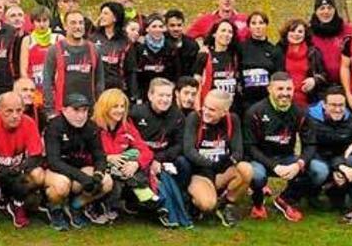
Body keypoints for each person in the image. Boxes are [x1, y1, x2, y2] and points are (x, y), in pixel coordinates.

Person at [243, 73, 315, 222]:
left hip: (287, 158)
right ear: (269, 89)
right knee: (256, 175)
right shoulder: (255, 112)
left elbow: (310, 145)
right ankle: (257, 204)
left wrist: (298, 164)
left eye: (289, 89)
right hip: (261, 159)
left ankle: (285, 199)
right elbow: (250, 148)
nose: (285, 93)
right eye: (280, 89)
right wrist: (274, 166)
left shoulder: (301, 112)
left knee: (318, 170)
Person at [42, 94, 114, 231]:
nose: (81, 115)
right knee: (61, 186)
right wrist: (82, 178)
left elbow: (99, 155)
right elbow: (53, 161)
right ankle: (55, 209)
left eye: (85, 110)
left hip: (79, 171)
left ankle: (76, 206)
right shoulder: (54, 126)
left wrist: (98, 174)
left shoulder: (91, 127)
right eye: (76, 110)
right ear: (64, 110)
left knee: (106, 182)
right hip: (56, 171)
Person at [183, 89, 253, 227]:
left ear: (224, 111)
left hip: (222, 171)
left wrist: (228, 162)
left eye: (212, 110)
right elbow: (189, 151)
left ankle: (228, 204)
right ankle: (197, 203)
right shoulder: (194, 117)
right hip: (200, 173)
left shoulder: (232, 119)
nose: (206, 112)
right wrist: (210, 164)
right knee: (207, 205)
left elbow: (238, 151)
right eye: (205, 107)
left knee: (247, 169)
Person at [0, 93, 45, 230]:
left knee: (39, 174)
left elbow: (36, 156)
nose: (15, 115)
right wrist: (5, 173)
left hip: (17, 172)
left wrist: (19, 170)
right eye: (9, 111)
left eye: (19, 110)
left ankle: (17, 203)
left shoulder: (29, 123)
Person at [92, 89, 163, 223]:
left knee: (135, 156)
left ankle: (136, 198)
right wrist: (107, 157)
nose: (120, 110)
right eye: (115, 106)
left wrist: (136, 164)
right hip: (98, 167)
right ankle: (93, 206)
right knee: (112, 179)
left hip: (121, 167)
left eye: (122, 106)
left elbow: (147, 152)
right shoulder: (93, 127)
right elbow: (85, 154)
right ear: (105, 107)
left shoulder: (127, 126)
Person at [129, 78, 190, 189]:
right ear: (150, 96)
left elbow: (180, 145)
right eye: (161, 95)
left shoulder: (178, 116)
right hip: (140, 155)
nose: (165, 100)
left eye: (168, 96)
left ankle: (182, 195)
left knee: (183, 163)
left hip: (164, 156)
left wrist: (159, 159)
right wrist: (147, 159)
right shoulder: (136, 112)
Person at [43, 10, 104, 118]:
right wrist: (50, 111)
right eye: (73, 23)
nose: (78, 26)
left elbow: (100, 82)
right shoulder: (54, 50)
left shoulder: (94, 49)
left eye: (81, 23)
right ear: (65, 26)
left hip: (89, 111)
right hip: (63, 110)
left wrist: (99, 108)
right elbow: (47, 81)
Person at [307, 86, 352, 210]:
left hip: (339, 159)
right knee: (320, 170)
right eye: (333, 105)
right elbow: (310, 149)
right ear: (324, 105)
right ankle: (310, 193)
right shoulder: (309, 118)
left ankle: (336, 191)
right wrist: (336, 169)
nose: (337, 109)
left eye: (341, 105)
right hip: (317, 157)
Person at [131, 14, 182, 103]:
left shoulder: (170, 47)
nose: (157, 29)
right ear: (147, 29)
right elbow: (134, 71)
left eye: (160, 26)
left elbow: (176, 71)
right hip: (144, 91)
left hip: (164, 92)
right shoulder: (139, 47)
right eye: (154, 26)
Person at [19, 6, 62, 108]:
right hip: (35, 88)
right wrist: (29, 89)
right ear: (33, 22)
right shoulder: (27, 40)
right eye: (38, 21)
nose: (42, 24)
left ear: (49, 21)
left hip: (53, 89)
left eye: (45, 20)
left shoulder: (58, 38)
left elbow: (61, 68)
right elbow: (23, 70)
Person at [239, 12, 283, 110]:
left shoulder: (275, 50)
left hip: (267, 102)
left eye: (261, 23)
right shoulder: (241, 48)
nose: (257, 26)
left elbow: (279, 76)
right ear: (249, 27)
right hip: (245, 102)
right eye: (254, 23)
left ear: (266, 25)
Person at [278, 18, 326, 108]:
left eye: (300, 31)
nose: (296, 34)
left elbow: (324, 75)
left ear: (305, 34)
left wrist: (314, 80)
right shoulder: (278, 51)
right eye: (292, 31)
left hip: (310, 102)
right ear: (286, 33)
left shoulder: (314, 52)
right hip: (284, 101)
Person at [193, 20, 241, 109]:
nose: (226, 34)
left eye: (230, 32)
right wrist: (198, 108)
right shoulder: (205, 55)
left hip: (231, 108)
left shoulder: (235, 55)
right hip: (211, 107)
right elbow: (196, 84)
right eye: (223, 30)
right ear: (214, 34)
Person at [309, 0, 352, 86]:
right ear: (316, 11)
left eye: (329, 8)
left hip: (345, 83)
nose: (326, 11)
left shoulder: (348, 30)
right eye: (322, 8)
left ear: (334, 10)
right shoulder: (308, 33)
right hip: (318, 85)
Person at [91, 1, 135, 93]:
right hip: (94, 89)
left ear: (115, 17)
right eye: (101, 13)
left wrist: (133, 94)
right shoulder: (92, 38)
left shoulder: (126, 42)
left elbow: (130, 71)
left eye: (106, 13)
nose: (101, 17)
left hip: (116, 90)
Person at [164, 9, 200, 80]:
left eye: (179, 25)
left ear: (183, 25)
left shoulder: (192, 44)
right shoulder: (161, 43)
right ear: (166, 26)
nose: (176, 29)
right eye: (172, 25)